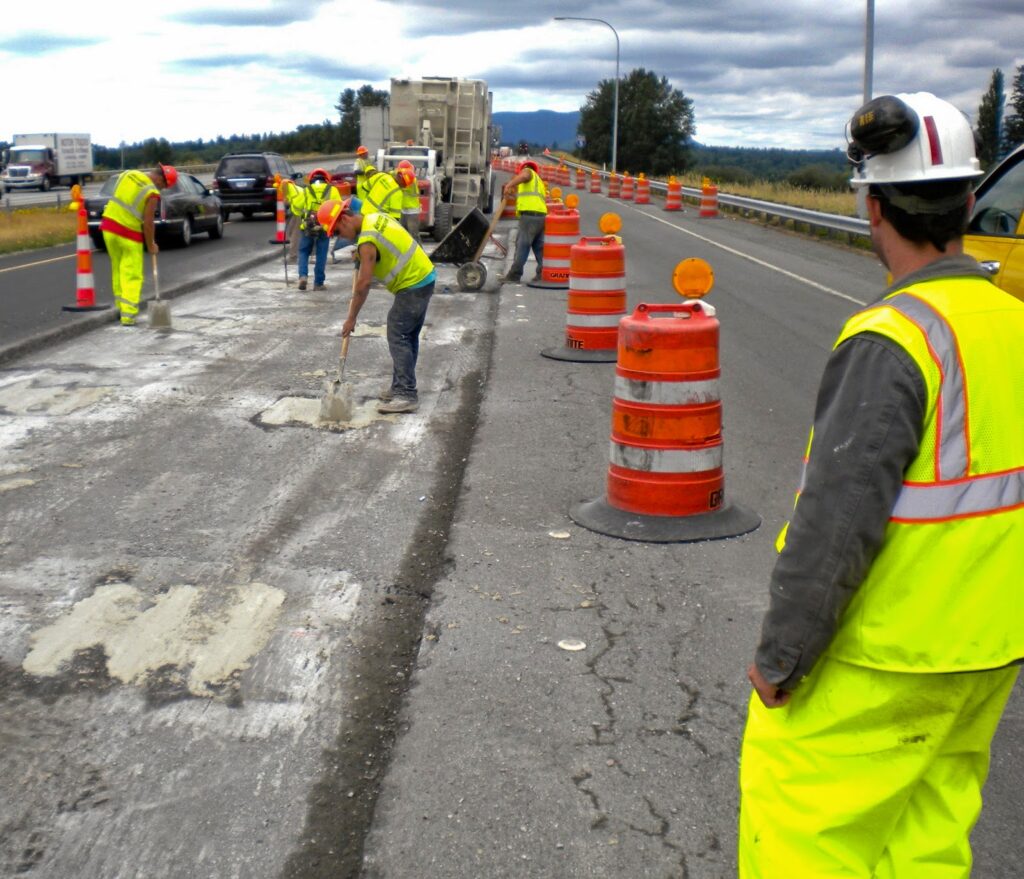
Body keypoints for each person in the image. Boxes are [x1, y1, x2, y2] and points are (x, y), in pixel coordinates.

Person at [739, 91, 1024, 878]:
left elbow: (836, 524)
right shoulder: (1012, 323)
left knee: (801, 835)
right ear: (969, 200)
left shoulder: (893, 339)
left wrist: (781, 657)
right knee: (924, 842)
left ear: (869, 208)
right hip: (988, 653)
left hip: (884, 662)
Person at [318, 198, 436, 414]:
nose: (339, 237)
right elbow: (382, 247)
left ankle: (406, 393)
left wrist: (351, 317)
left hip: (413, 284)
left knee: (398, 333)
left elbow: (364, 284)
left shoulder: (367, 241)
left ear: (344, 219)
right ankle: (401, 386)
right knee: (407, 336)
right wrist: (362, 255)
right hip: (423, 277)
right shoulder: (374, 218)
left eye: (337, 231)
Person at [99, 163, 177, 326]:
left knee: (118, 269)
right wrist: (151, 246)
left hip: (108, 228)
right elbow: (148, 223)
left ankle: (121, 308)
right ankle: (128, 315)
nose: (161, 189)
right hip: (128, 233)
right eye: (163, 186)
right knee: (132, 273)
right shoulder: (152, 192)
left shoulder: (127, 174)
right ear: (160, 179)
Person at [287, 168, 341, 291]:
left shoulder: (306, 191)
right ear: (326, 180)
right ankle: (318, 283)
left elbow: (297, 208)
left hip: (307, 227)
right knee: (321, 254)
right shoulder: (332, 190)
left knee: (303, 252)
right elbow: (338, 208)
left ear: (311, 179)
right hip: (324, 227)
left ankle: (303, 276)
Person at [499, 160, 546, 284]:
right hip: (541, 216)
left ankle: (514, 275)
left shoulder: (528, 171)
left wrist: (509, 185)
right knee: (539, 247)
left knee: (522, 245)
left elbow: (524, 175)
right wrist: (513, 196)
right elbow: (527, 198)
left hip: (530, 216)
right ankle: (543, 273)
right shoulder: (538, 181)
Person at [396, 160, 421, 239]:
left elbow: (403, 184)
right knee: (402, 234)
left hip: (412, 211)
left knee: (413, 234)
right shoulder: (403, 177)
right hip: (403, 209)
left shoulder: (411, 179)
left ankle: (419, 251)